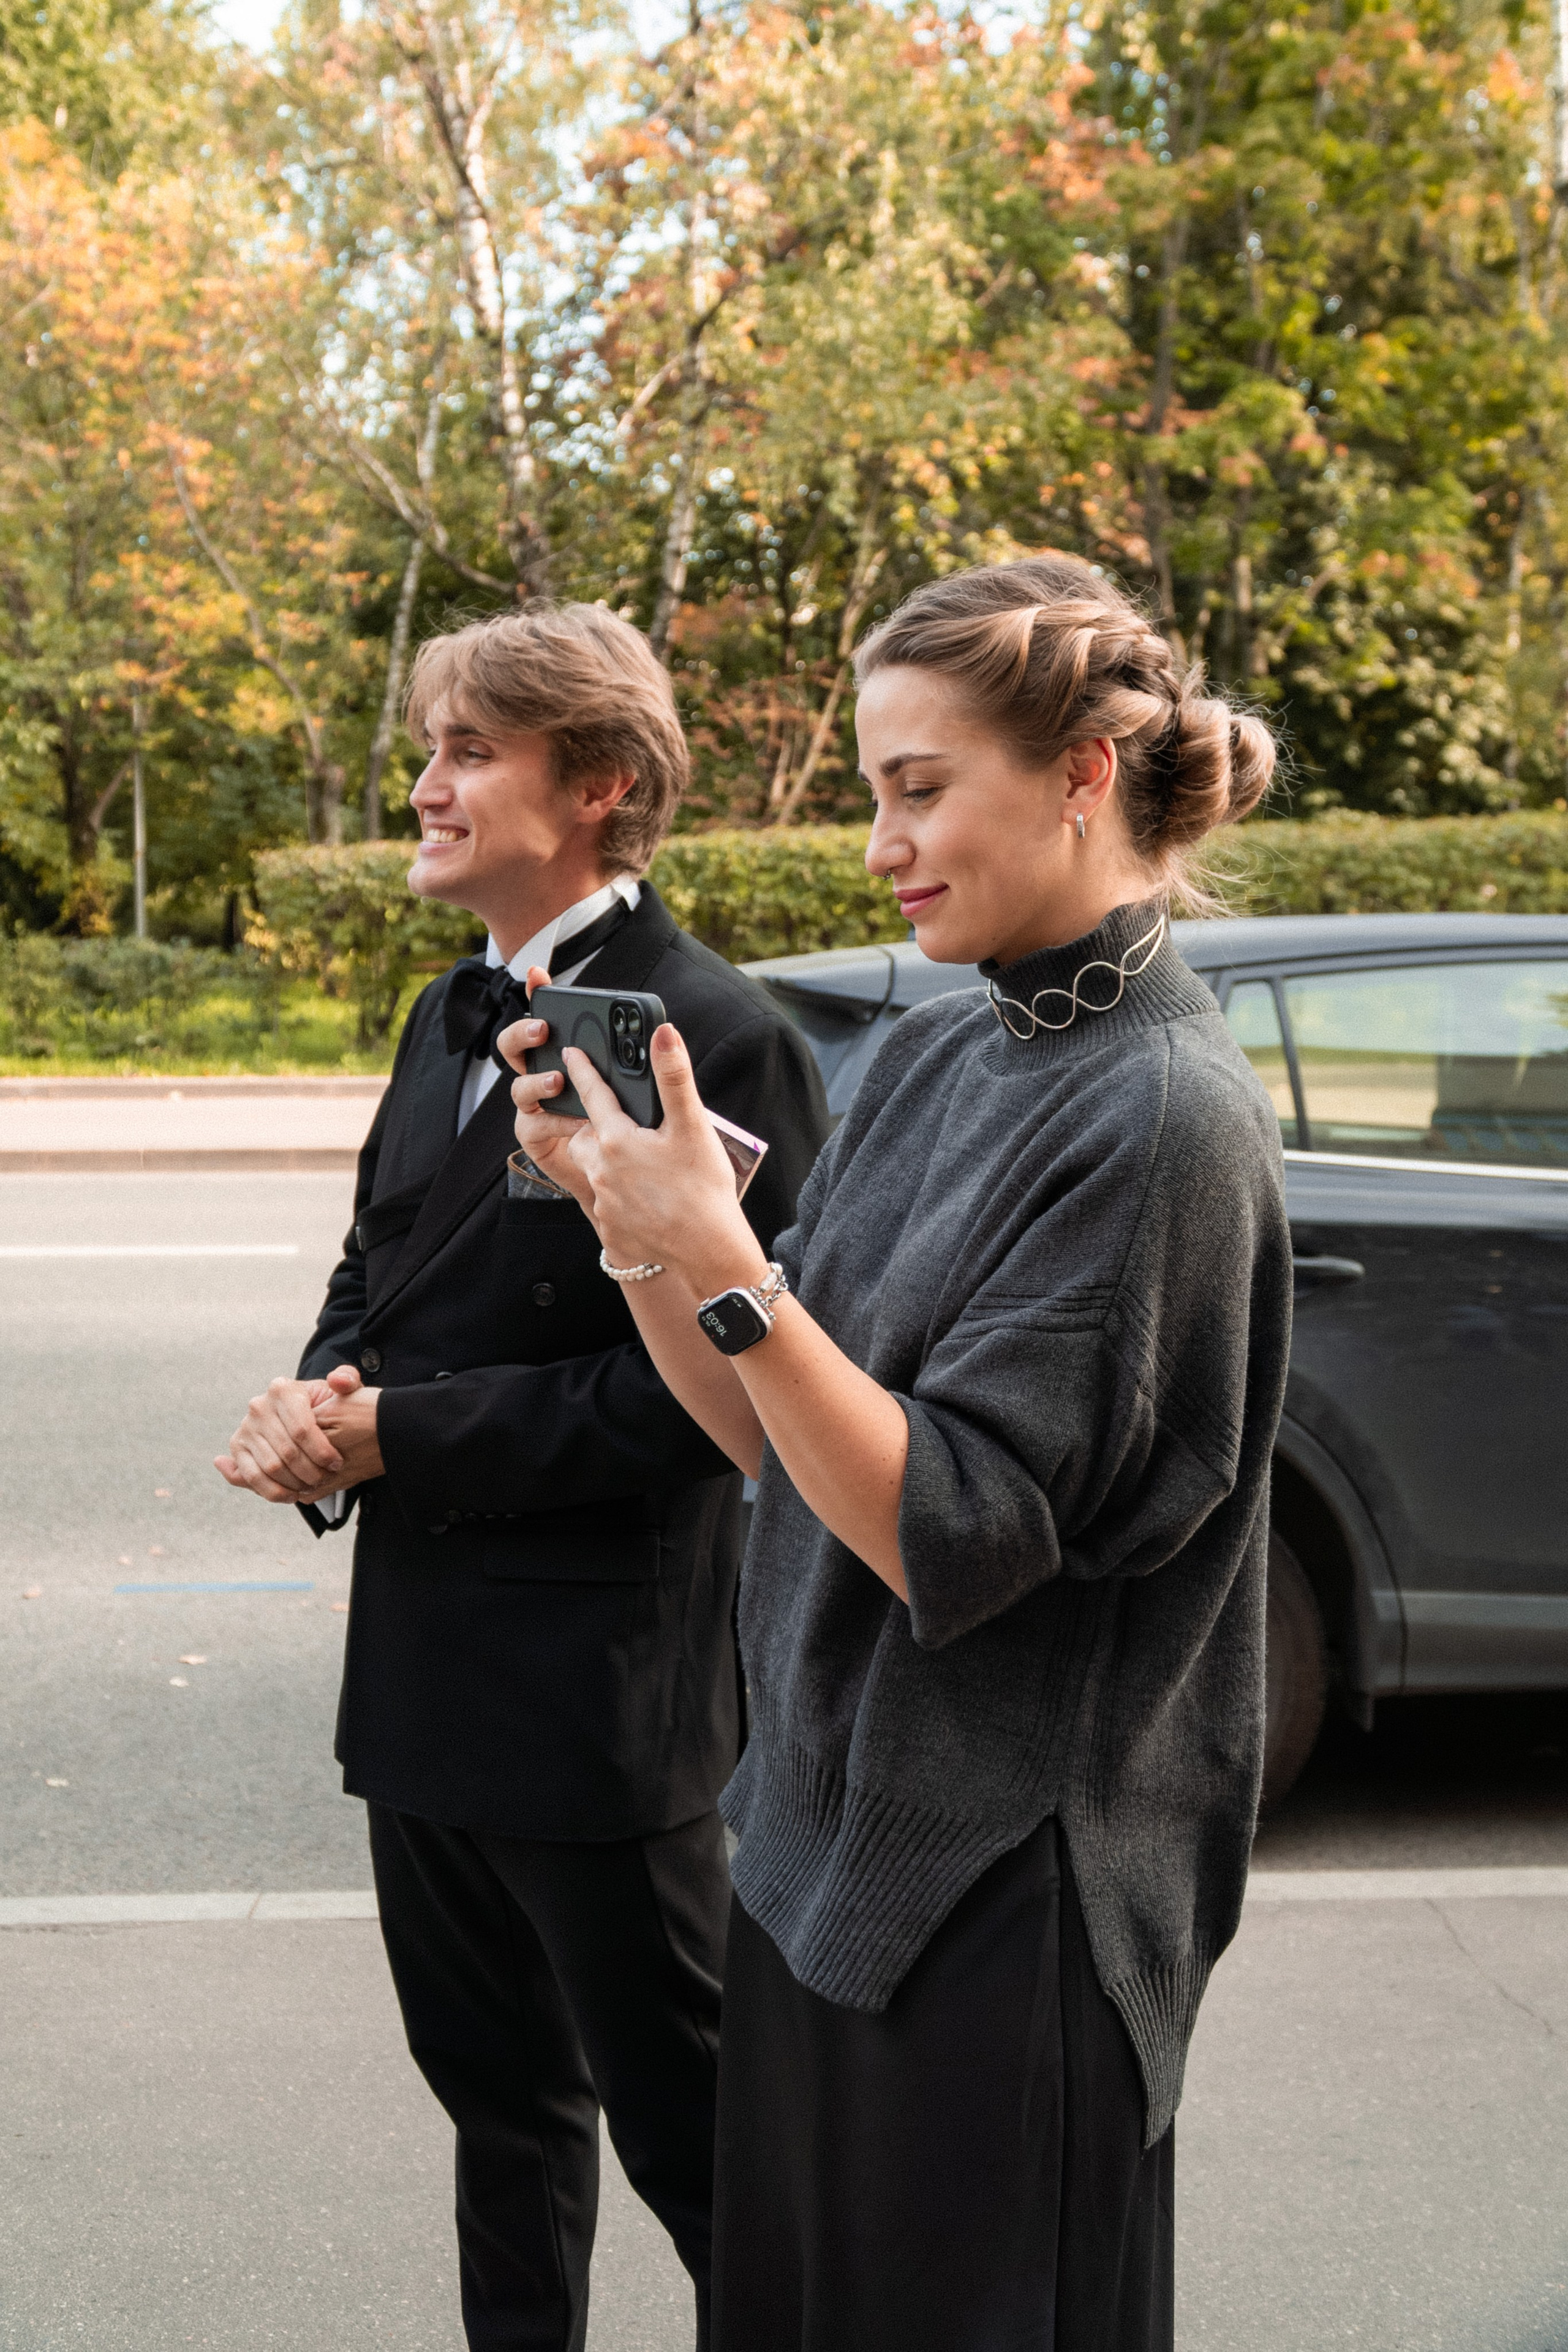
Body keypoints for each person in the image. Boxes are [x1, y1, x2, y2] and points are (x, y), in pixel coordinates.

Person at [502, 556, 1294, 2351]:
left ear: (1084, 772)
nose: (881, 847)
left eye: (919, 789)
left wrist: (727, 1263)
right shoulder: (947, 1051)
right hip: (819, 1863)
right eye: (878, 793)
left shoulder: (1164, 1116)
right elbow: (765, 1432)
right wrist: (640, 1229)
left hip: (1003, 1921)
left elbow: (947, 1531)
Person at [215, 602, 831, 2352]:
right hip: (423, 1682)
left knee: (706, 2158)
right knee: (500, 2125)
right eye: (432, 747)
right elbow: (380, 1269)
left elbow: (716, 1407)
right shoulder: (445, 1012)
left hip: (603, 1710)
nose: (426, 785)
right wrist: (319, 1402)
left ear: (601, 784)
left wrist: (405, 1434)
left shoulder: (717, 1036)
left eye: (470, 752)